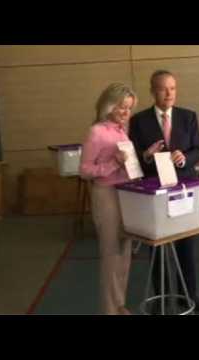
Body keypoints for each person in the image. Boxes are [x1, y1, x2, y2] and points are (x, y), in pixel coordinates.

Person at [129, 70, 199, 313]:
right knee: (158, 247)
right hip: (154, 192)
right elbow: (134, 159)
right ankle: (162, 297)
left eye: (173, 88)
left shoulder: (188, 117)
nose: (169, 94)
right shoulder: (139, 121)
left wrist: (185, 158)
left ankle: (189, 296)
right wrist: (147, 156)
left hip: (184, 189)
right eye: (164, 89)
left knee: (186, 246)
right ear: (153, 91)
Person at [79, 83, 137, 315]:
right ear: (109, 105)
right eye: (122, 107)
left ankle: (119, 304)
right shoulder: (96, 131)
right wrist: (114, 164)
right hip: (106, 196)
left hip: (126, 193)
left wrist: (143, 156)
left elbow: (127, 162)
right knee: (111, 255)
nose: (125, 112)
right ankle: (109, 310)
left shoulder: (122, 130)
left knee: (125, 253)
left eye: (129, 108)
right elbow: (84, 170)